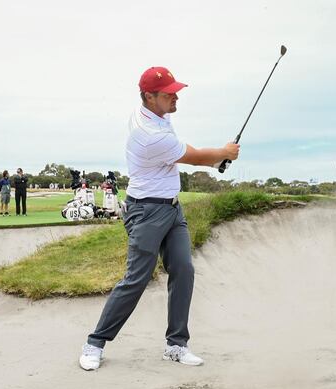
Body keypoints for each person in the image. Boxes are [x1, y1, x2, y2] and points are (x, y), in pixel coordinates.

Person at [79, 65, 240, 371]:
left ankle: (176, 345)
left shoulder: (158, 117)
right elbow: (193, 156)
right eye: (169, 95)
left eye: (175, 92)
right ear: (149, 97)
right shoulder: (148, 134)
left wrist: (217, 158)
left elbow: (183, 155)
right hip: (146, 212)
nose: (176, 98)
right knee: (136, 279)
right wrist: (224, 154)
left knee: (184, 269)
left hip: (171, 208)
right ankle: (95, 342)